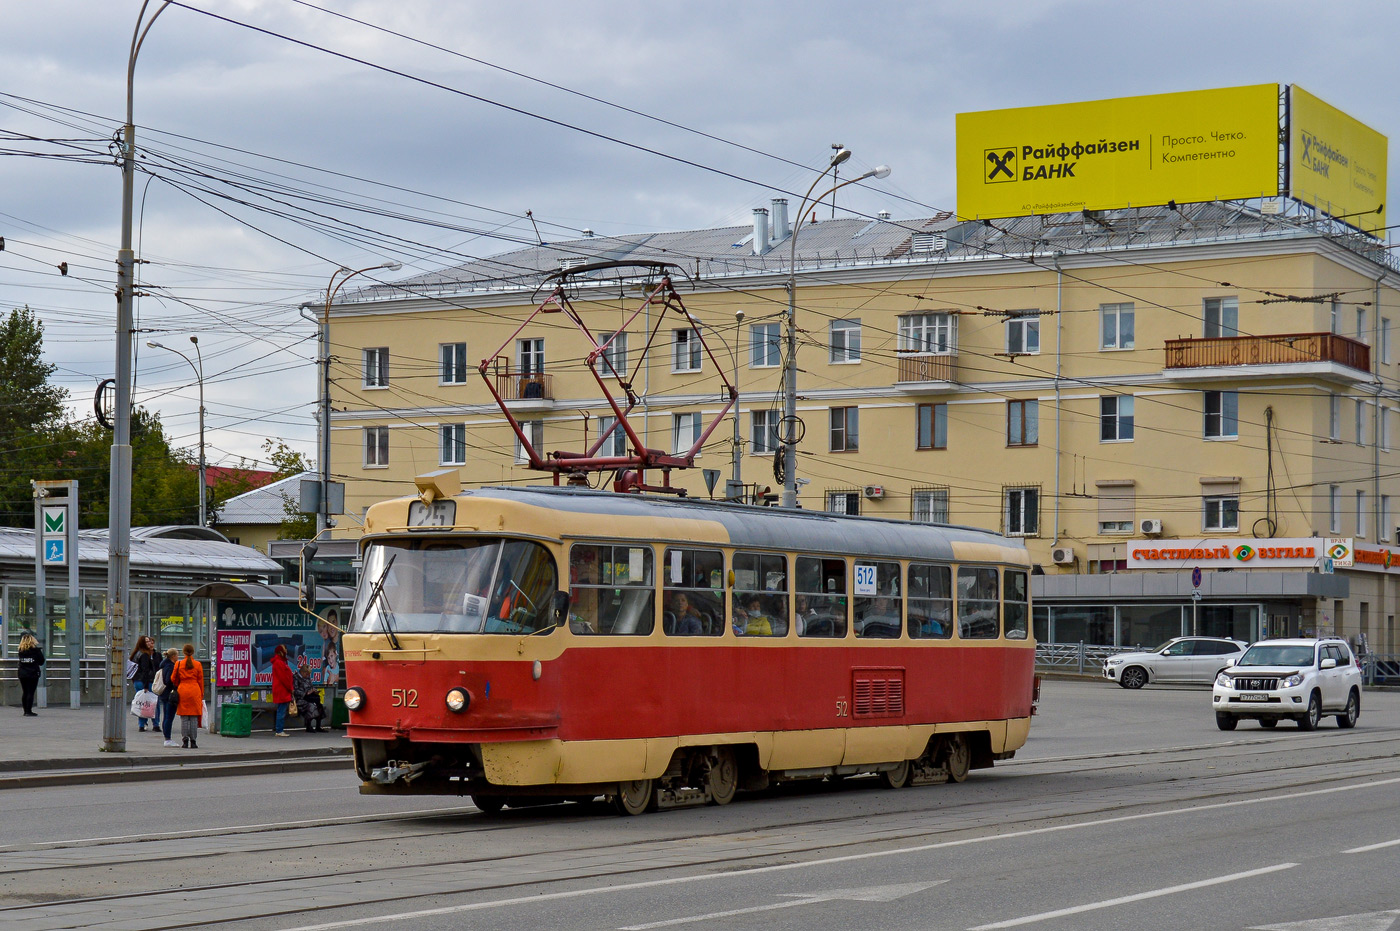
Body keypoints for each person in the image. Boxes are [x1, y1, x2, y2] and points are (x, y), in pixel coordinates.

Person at [168, 644, 205, 749]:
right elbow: (201, 681)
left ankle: (185, 740)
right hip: (195, 690)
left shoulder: (179, 664)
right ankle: (193, 741)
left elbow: (173, 678)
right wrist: (201, 694)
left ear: (183, 652)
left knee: (184, 717)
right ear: (193, 652)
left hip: (183, 690)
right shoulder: (198, 664)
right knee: (193, 717)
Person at [129, 636, 159, 733]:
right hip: (147, 682)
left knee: (142, 703)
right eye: (146, 642)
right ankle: (155, 724)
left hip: (137, 681)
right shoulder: (144, 655)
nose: (149, 643)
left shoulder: (135, 654)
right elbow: (145, 670)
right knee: (153, 702)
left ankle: (141, 724)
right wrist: (146, 685)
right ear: (142, 643)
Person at [293, 655, 328, 733]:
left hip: (309, 697)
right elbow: (295, 690)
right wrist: (306, 693)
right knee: (311, 706)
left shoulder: (307, 678)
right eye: (307, 674)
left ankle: (318, 726)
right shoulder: (295, 678)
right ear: (303, 672)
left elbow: (311, 686)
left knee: (319, 706)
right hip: (300, 699)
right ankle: (308, 726)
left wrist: (314, 691)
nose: (308, 675)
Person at [16, 632, 44, 716]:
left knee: (25, 692)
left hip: (22, 673)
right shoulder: (36, 650)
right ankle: (29, 711)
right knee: (30, 692)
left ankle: (25, 711)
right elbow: (41, 661)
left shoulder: (21, 651)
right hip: (33, 673)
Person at [271, 643, 294, 737]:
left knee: (281, 710)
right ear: (280, 652)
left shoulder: (279, 662)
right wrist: (291, 688)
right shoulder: (279, 663)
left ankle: (279, 729)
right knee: (281, 710)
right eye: (285, 650)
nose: (286, 651)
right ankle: (279, 730)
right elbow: (284, 678)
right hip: (282, 690)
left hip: (281, 689)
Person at [158, 648, 179, 746]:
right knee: (169, 717)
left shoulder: (164, 664)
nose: (178, 657)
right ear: (173, 656)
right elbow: (168, 680)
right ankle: (168, 738)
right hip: (169, 694)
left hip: (164, 694)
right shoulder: (170, 666)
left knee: (166, 716)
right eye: (177, 655)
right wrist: (175, 686)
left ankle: (166, 737)